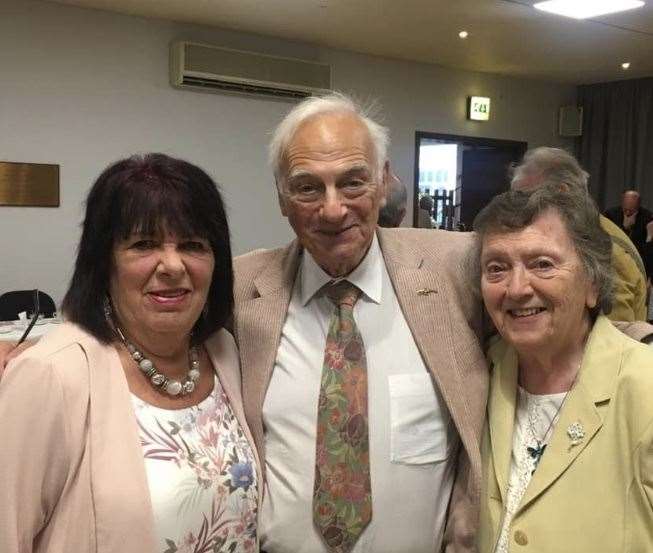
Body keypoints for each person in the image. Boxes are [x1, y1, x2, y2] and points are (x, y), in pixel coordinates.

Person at [234, 93, 487, 552]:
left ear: (384, 181)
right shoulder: (241, 289)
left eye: (353, 182)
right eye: (308, 187)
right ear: (281, 199)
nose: (333, 209)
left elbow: (557, 310)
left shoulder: (454, 267)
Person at [0, 154, 260, 552]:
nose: (172, 265)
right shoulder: (50, 375)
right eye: (144, 244)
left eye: (193, 244)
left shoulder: (223, 350)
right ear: (103, 261)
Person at [474, 184, 653, 552]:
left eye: (542, 264)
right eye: (497, 268)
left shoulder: (644, 387)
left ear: (592, 283)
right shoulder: (481, 371)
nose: (517, 288)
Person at [511, 147, 648, 322]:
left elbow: (612, 337)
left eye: (525, 198)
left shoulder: (606, 251)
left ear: (562, 191)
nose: (516, 209)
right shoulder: (579, 236)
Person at [604, 190, 653, 267]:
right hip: (614, 259)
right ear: (622, 203)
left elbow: (647, 250)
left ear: (638, 206)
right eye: (625, 209)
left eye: (631, 211)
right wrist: (624, 228)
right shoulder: (611, 214)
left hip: (637, 261)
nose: (627, 213)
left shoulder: (647, 218)